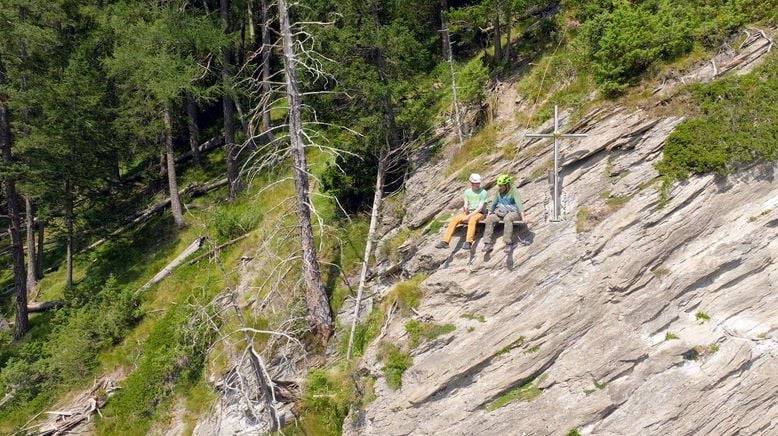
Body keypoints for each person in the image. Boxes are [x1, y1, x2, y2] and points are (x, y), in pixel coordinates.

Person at [436, 173, 487, 250]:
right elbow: (466, 203)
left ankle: (468, 242)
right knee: (455, 219)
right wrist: (465, 208)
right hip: (469, 212)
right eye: (475, 183)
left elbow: (479, 208)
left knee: (472, 220)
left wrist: (468, 216)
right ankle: (445, 241)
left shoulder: (483, 192)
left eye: (478, 183)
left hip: (480, 213)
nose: (477, 185)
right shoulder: (467, 192)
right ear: (471, 183)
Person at [482, 174, 528, 253]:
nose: (500, 187)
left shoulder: (513, 191)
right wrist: (488, 216)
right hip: (502, 213)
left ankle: (508, 243)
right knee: (490, 218)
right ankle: (487, 243)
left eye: (501, 186)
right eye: (499, 186)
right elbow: (493, 204)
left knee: (507, 218)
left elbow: (519, 204)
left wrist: (523, 217)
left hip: (514, 213)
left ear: (507, 185)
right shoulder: (498, 192)